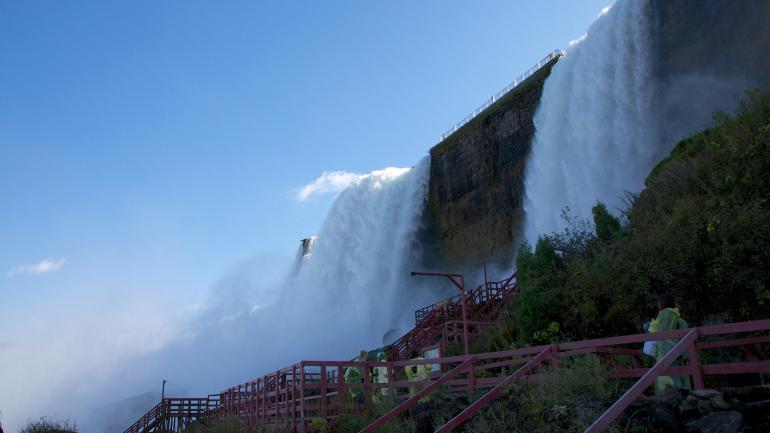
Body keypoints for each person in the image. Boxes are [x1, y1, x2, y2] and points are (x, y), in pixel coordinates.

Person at [647, 293, 691, 394]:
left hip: (666, 350)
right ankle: (685, 393)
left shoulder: (664, 315)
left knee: (667, 375)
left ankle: (669, 395)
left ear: (663, 303)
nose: (658, 304)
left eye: (659, 302)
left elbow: (658, 332)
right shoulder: (682, 321)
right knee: (682, 374)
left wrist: (649, 327)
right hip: (681, 352)